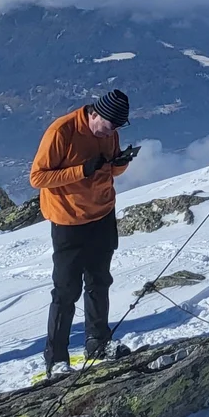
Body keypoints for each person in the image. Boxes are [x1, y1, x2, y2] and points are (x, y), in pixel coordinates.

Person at [31, 89, 139, 378]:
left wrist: (121, 162)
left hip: (102, 214)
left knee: (99, 281)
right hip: (68, 221)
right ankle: (55, 358)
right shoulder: (61, 131)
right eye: (107, 126)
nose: (110, 133)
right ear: (93, 114)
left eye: (116, 128)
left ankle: (98, 343)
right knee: (66, 290)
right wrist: (81, 170)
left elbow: (110, 171)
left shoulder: (109, 132)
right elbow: (37, 177)